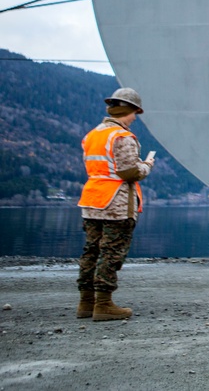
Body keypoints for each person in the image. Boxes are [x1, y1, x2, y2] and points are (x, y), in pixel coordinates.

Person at [77, 87, 155, 321]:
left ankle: (85, 303)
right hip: (116, 204)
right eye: (135, 113)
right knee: (111, 252)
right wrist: (147, 165)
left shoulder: (92, 135)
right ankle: (104, 304)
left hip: (92, 200)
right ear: (126, 110)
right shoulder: (122, 136)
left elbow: (100, 167)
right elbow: (129, 171)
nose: (134, 119)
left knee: (91, 251)